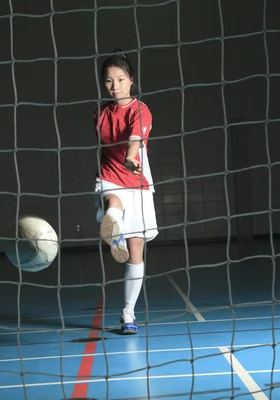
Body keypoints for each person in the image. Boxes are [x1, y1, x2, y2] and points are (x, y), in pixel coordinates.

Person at [93, 50, 159, 335]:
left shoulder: (141, 110)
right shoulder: (100, 112)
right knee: (112, 200)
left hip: (137, 179)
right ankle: (113, 222)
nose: (115, 86)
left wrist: (132, 158)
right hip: (109, 176)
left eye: (120, 79)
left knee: (136, 251)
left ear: (131, 79)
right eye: (109, 81)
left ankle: (127, 313)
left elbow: (134, 138)